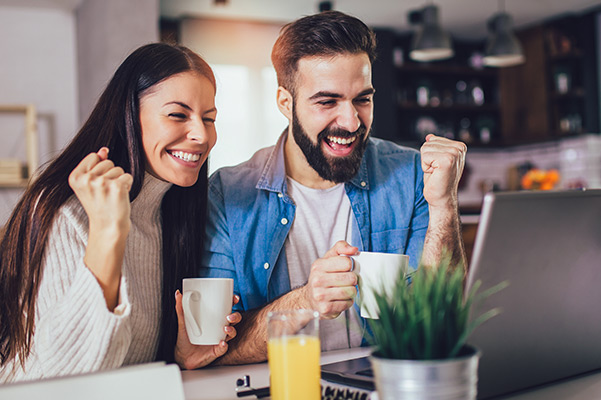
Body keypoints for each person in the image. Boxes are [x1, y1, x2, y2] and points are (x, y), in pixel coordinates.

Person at [200, 11, 467, 365]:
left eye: (363, 99)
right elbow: (213, 347)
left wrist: (444, 205)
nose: (351, 121)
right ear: (285, 102)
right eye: (327, 102)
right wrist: (305, 302)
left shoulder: (410, 174)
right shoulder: (226, 194)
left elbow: (438, 320)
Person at [0, 43, 241, 383]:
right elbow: (61, 379)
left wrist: (177, 354)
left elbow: (128, 365)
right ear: (128, 113)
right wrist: (107, 230)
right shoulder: (64, 211)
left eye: (209, 118)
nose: (201, 135)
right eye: (177, 114)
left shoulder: (174, 214)